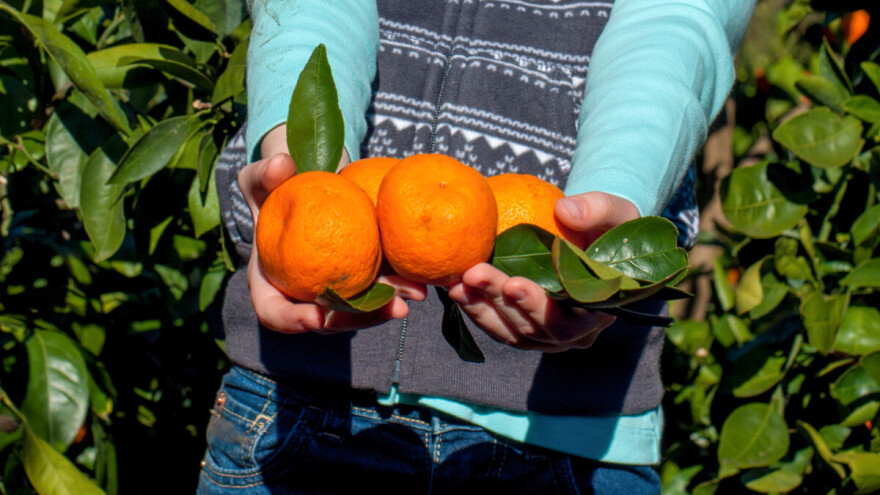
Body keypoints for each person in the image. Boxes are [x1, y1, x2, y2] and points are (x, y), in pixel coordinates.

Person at [200, 0, 755, 493]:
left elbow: (678, 19)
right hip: (295, 398)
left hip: (569, 433)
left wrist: (613, 197)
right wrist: (296, 172)